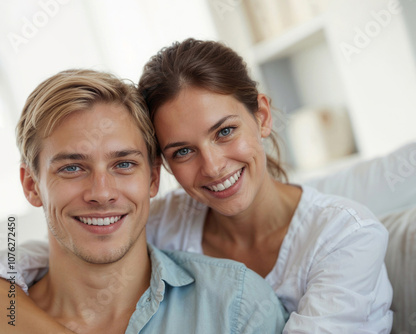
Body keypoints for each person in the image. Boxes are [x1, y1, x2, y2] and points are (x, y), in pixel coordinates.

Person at [1, 39, 393, 333]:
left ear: (263, 116)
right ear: (162, 168)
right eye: (183, 150)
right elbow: (31, 257)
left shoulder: (343, 238)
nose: (213, 165)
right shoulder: (159, 220)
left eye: (225, 131)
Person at [0, 69, 287, 334]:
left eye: (123, 164)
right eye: (72, 168)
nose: (102, 193)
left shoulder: (236, 307)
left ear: (153, 178)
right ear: (31, 186)